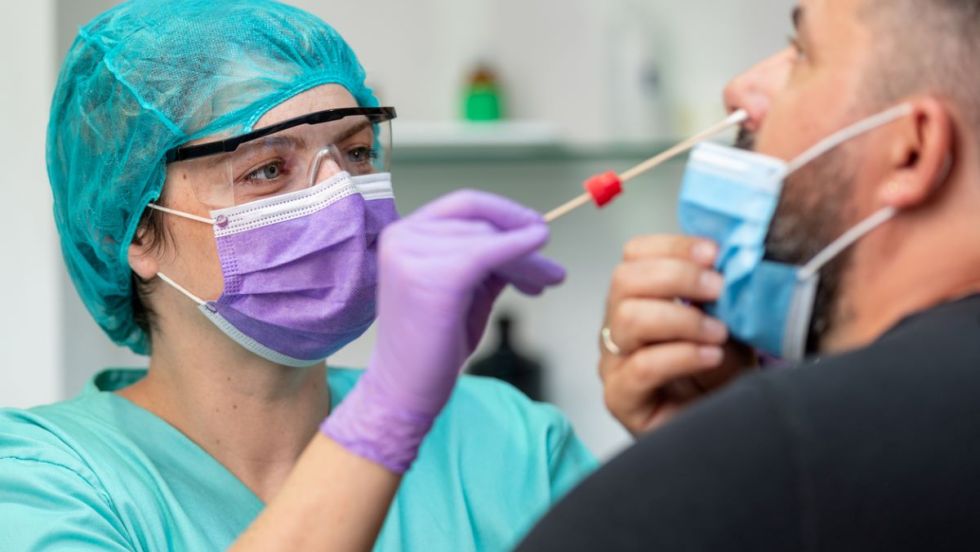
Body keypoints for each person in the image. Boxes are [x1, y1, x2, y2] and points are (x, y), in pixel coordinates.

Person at [0, 1, 596, 550]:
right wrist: (386, 419)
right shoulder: (45, 482)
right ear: (129, 232)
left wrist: (677, 442)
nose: (344, 198)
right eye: (266, 168)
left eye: (357, 152)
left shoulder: (507, 439)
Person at [520, 0, 980, 549]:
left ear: (912, 150)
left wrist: (719, 464)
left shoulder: (786, 452)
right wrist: (711, 443)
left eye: (802, 52)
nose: (740, 88)